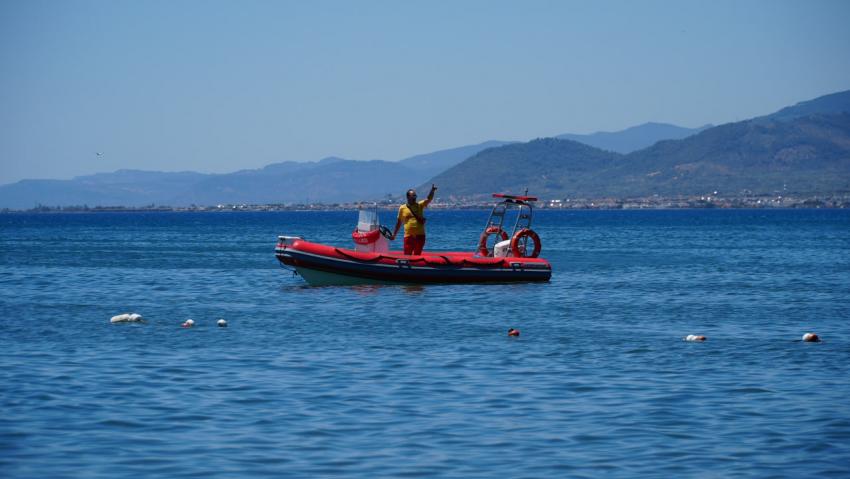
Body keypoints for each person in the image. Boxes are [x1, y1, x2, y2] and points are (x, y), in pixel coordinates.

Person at [391, 184, 437, 255]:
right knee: (407, 256)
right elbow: (399, 223)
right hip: (408, 236)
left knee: (417, 256)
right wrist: (394, 235)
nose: (415, 197)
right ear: (408, 197)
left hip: (420, 235)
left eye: (415, 196)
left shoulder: (420, 205)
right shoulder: (402, 208)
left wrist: (432, 191)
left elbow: (428, 199)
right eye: (413, 196)